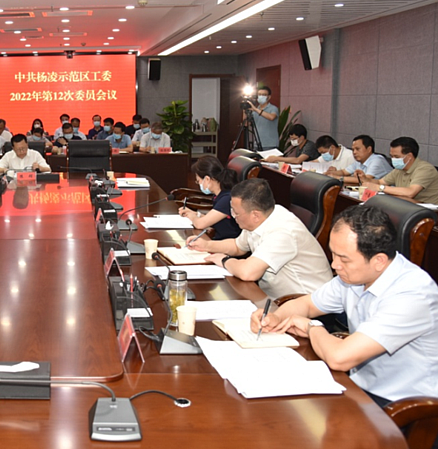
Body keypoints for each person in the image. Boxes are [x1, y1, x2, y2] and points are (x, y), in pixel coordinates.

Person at [251, 205, 438, 407]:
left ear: (379, 261)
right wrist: (275, 318)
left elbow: (339, 358)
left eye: (344, 259)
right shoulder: (353, 276)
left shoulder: (412, 295)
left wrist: (312, 327)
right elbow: (306, 304)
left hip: (404, 405)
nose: (335, 265)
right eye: (334, 254)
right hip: (359, 386)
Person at [187, 178, 333, 299]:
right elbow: (238, 246)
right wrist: (207, 245)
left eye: (235, 212)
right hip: (270, 298)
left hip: (305, 305)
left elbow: (248, 272)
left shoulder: (283, 231)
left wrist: (224, 260)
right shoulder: (262, 217)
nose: (232, 215)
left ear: (255, 215)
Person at [359, 136, 438, 204]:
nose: (393, 159)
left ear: (409, 156)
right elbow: (380, 182)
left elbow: (410, 193)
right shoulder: (399, 169)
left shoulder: (425, 169)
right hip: (406, 205)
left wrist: (380, 188)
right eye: (391, 156)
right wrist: (366, 180)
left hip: (428, 211)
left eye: (396, 157)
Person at [178, 156, 241, 240]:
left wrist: (192, 216)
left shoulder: (226, 199)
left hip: (227, 244)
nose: (198, 184)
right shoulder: (218, 195)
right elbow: (214, 218)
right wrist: (195, 214)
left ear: (207, 179)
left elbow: (200, 224)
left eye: (198, 181)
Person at [325, 135, 392, 185]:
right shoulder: (359, 161)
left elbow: (364, 179)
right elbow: (344, 172)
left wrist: (337, 178)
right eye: (353, 149)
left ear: (369, 149)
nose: (354, 152)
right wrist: (329, 174)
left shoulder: (377, 160)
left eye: (357, 149)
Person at [248, 85, 280, 151]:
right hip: (257, 144)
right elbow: (246, 124)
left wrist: (256, 110)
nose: (261, 96)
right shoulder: (255, 110)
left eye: (264, 95)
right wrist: (245, 108)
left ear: (269, 97)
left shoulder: (273, 108)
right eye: (259, 94)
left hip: (270, 144)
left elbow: (271, 117)